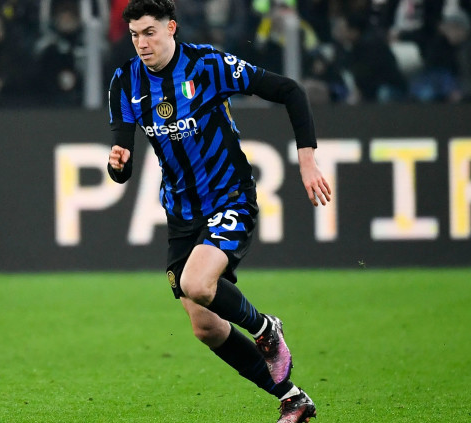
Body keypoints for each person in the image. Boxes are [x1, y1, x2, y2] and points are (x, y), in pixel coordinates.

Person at [106, 0, 330, 421]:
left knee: (196, 282)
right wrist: (117, 164)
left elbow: (290, 91)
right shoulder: (125, 81)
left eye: (150, 32)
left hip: (230, 197)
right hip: (181, 214)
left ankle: (265, 328)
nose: (142, 43)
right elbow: (122, 163)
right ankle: (292, 398)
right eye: (135, 35)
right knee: (205, 326)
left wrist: (307, 160)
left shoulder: (208, 65)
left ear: (171, 28)